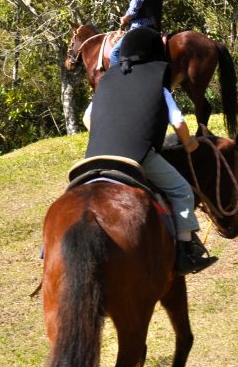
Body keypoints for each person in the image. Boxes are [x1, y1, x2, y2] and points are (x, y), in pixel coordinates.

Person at [85, 27, 217, 275]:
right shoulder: (159, 84)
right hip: (136, 156)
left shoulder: (105, 82)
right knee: (181, 191)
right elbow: (178, 123)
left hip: (95, 157)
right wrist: (190, 144)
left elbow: (87, 118)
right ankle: (187, 254)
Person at [108, 0, 164, 69]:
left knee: (114, 54)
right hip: (154, 29)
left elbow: (134, 8)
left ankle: (120, 83)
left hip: (139, 27)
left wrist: (125, 18)